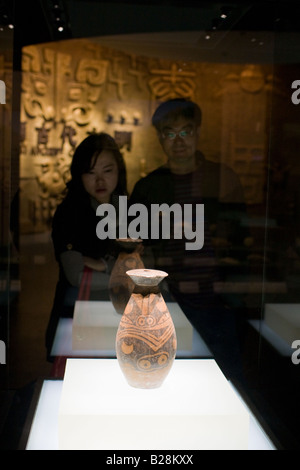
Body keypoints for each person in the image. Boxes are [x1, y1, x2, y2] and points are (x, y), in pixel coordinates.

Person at [129, 98, 249, 380]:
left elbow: (241, 241)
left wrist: (233, 291)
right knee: (171, 374)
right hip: (167, 300)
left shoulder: (222, 179)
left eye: (186, 131)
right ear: (159, 137)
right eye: (170, 133)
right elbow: (136, 248)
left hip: (217, 300)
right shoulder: (148, 188)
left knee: (227, 377)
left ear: (198, 132)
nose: (178, 140)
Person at [45, 132, 127, 358]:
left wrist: (101, 264)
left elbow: (147, 261)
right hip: (80, 314)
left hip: (120, 317)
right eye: (90, 173)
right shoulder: (70, 212)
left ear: (119, 171)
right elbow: (76, 275)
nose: (100, 181)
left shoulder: (127, 208)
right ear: (79, 175)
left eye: (107, 171)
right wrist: (122, 270)